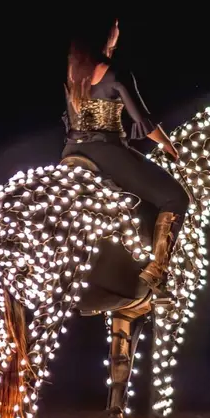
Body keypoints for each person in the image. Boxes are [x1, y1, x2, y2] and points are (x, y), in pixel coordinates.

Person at [61, 20, 189, 289]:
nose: (119, 31)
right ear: (108, 35)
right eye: (116, 26)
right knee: (176, 197)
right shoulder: (115, 73)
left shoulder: (72, 72)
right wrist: (167, 145)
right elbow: (142, 120)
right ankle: (157, 271)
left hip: (71, 151)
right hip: (107, 152)